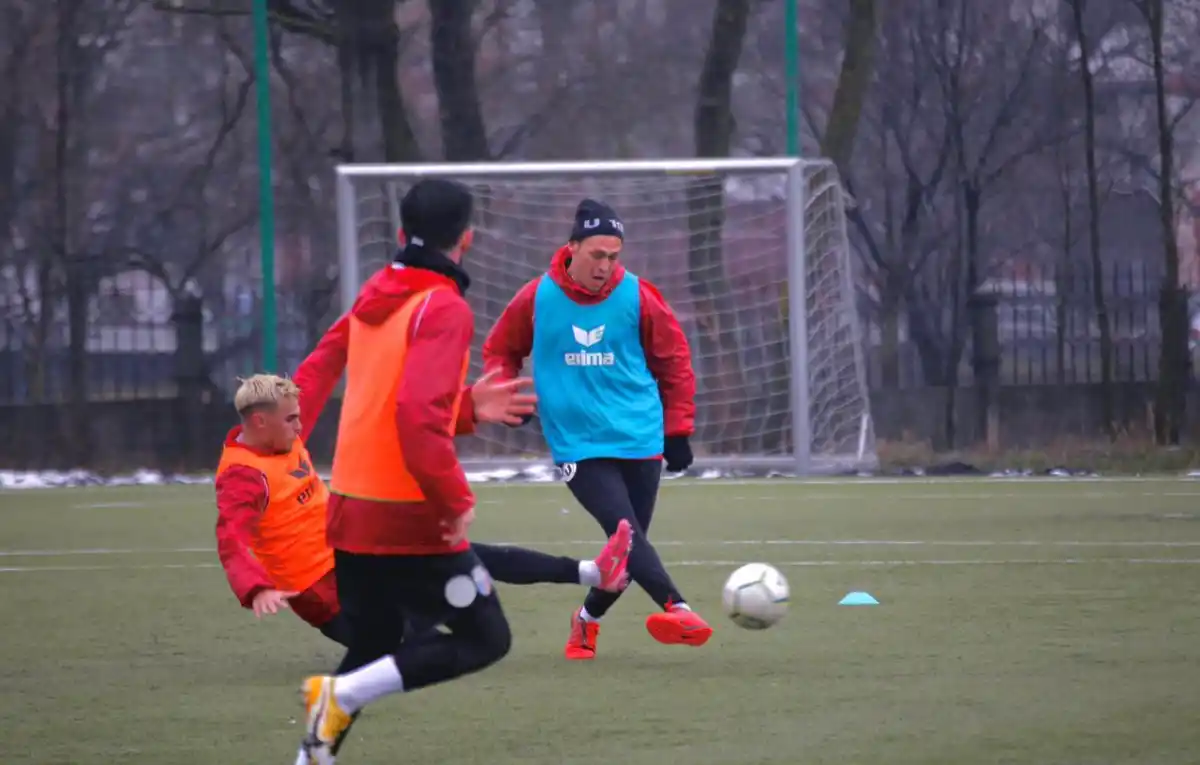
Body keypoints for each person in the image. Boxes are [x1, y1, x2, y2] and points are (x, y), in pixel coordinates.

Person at [214, 370, 633, 765]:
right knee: (408, 648)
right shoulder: (244, 476)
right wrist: (256, 587)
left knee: (463, 557)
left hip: (358, 556)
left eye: (299, 417)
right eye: (290, 420)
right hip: (324, 593)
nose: (300, 427)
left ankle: (592, 573)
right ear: (260, 421)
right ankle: (314, 747)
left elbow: (319, 371)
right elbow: (231, 538)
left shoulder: (280, 436)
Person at [295, 178, 548, 765]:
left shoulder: (375, 294)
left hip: (350, 510)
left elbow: (323, 373)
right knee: (488, 638)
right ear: (467, 238)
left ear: (404, 234)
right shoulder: (444, 307)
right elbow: (414, 416)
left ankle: (311, 758)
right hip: (407, 515)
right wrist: (453, 498)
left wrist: (464, 406)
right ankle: (341, 695)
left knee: (376, 642)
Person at [482, 198, 712, 661]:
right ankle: (679, 607)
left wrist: (678, 429)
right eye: (596, 255)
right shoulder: (536, 297)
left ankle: (586, 622)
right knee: (624, 530)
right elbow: (499, 349)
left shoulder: (640, 295)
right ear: (572, 248)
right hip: (577, 444)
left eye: (614, 256)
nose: (605, 266)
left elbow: (674, 362)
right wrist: (509, 394)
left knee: (627, 548)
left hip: (640, 436)